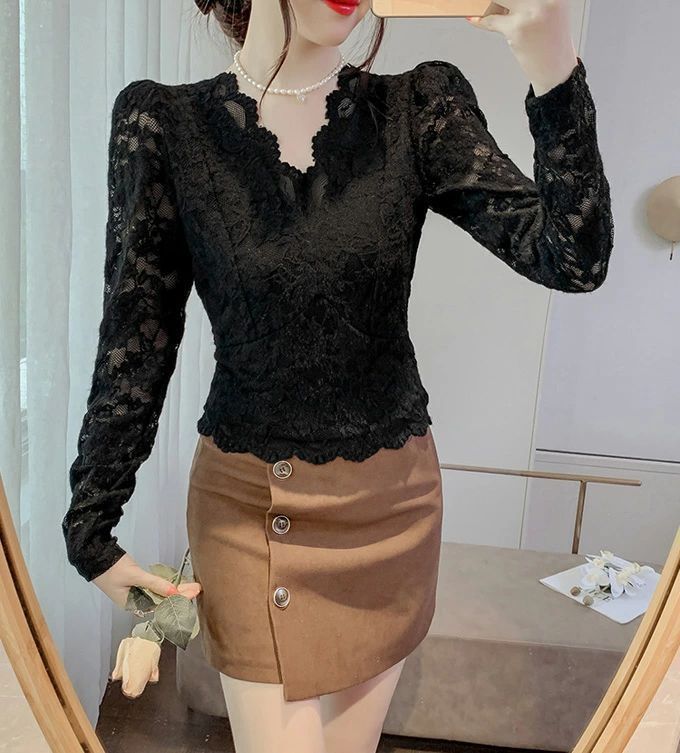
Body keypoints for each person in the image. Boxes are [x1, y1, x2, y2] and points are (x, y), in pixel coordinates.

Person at [61, 0, 614, 750]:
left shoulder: (418, 108)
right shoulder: (164, 125)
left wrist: (552, 64)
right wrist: (91, 527)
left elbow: (573, 257)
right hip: (247, 508)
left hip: (391, 511)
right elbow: (137, 335)